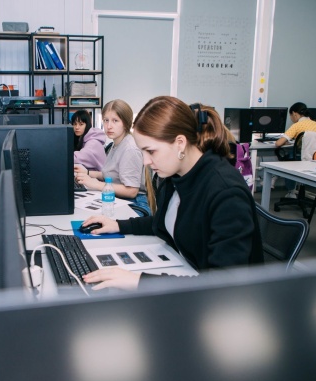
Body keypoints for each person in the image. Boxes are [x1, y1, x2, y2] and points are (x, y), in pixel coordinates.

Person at [80, 96, 263, 291]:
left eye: (151, 151)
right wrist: (118, 225)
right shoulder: (175, 176)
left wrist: (138, 281)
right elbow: (164, 222)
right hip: (190, 278)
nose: (146, 161)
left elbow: (223, 285)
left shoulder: (226, 193)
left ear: (180, 143)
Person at [74, 99, 150, 215]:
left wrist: (96, 184)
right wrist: (87, 173)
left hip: (135, 204)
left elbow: (132, 191)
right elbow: (111, 175)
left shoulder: (129, 148)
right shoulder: (116, 144)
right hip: (121, 199)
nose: (109, 126)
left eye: (115, 121)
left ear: (126, 123)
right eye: (106, 120)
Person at [274, 102, 316, 198]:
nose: (291, 118)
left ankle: (291, 191)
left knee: (288, 159)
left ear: (294, 113)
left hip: (302, 158)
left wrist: (285, 142)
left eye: (290, 116)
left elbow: (278, 143)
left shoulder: (297, 126)